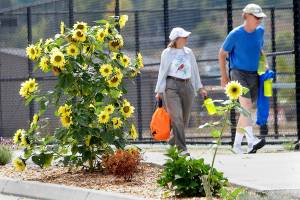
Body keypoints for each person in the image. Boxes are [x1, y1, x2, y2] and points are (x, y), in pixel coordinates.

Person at [218, 4, 267, 154]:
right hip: (238, 73)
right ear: (246, 16)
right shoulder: (235, 34)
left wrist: (265, 66)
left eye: (260, 17)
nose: (259, 20)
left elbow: (260, 50)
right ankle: (252, 141)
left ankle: (237, 146)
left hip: (254, 74)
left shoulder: (260, 32)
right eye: (256, 17)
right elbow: (222, 53)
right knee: (245, 106)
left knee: (245, 110)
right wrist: (224, 76)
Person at [155, 27, 207, 155]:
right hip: (171, 86)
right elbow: (162, 72)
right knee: (176, 118)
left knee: (184, 119)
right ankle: (182, 149)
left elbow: (194, 70)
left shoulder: (189, 52)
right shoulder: (167, 53)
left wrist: (200, 87)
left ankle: (172, 143)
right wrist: (159, 91)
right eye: (184, 37)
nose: (186, 38)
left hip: (187, 86)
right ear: (176, 39)